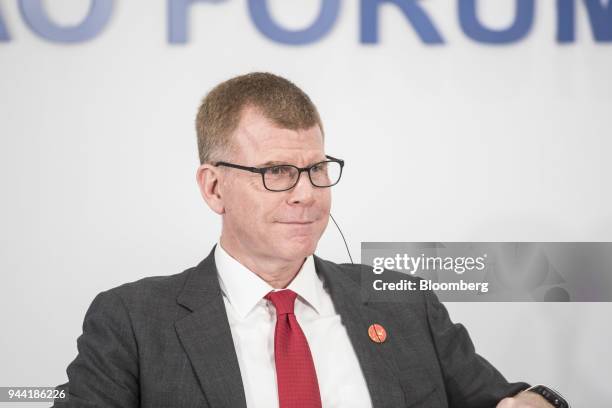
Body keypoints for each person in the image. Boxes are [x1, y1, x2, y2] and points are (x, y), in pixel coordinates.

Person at [53, 72, 566, 408]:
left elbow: (507, 399)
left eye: (316, 168)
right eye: (276, 171)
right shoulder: (133, 321)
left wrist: (539, 402)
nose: (306, 194)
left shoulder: (401, 299)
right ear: (214, 187)